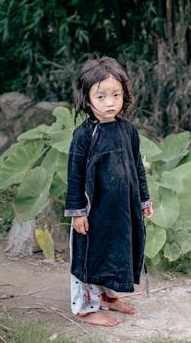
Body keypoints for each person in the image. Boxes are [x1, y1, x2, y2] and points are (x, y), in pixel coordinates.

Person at [64, 56, 154, 326]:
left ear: (125, 95)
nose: (110, 102)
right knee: (91, 254)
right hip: (94, 211)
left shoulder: (128, 131)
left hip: (122, 209)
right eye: (101, 96)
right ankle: (85, 308)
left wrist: (143, 200)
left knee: (118, 251)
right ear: (86, 99)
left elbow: (136, 167)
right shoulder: (84, 135)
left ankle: (108, 296)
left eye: (116, 95)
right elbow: (75, 175)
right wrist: (78, 212)